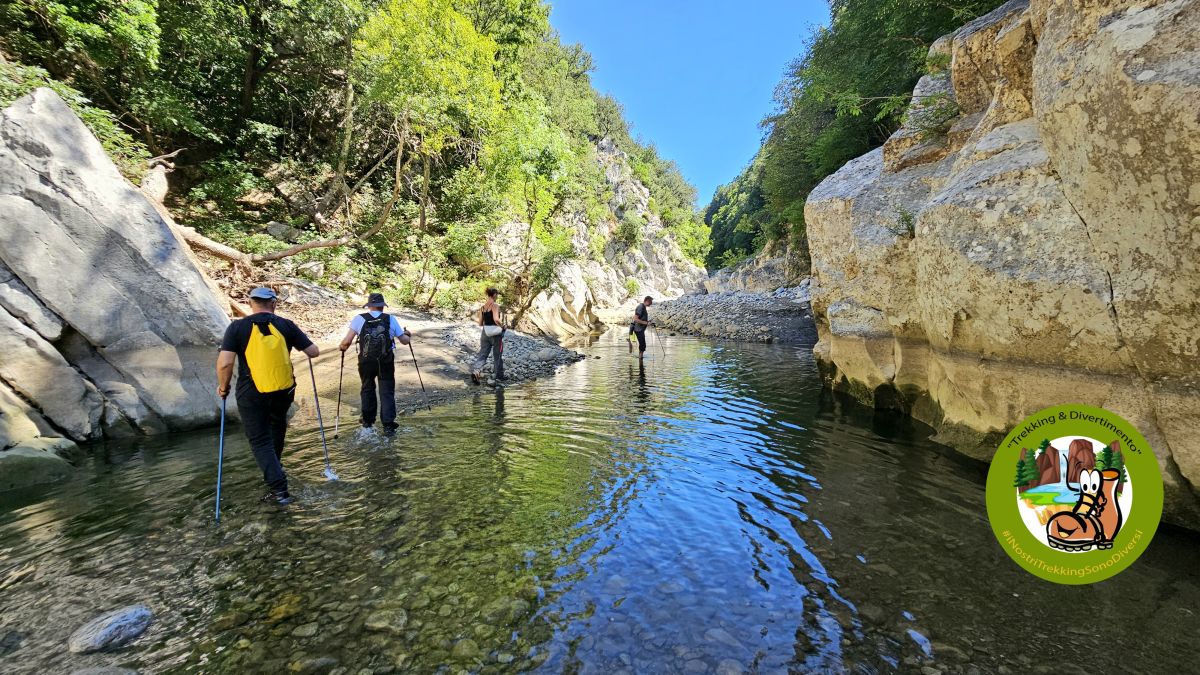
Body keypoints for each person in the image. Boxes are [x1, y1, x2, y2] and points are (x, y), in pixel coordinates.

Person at [216, 287, 319, 504]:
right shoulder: (286, 324)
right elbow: (313, 352)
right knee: (277, 425)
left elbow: (225, 363)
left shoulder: (237, 327)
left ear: (250, 303)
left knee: (259, 439)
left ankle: (279, 490)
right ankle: (276, 467)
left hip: (251, 392)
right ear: (273, 303)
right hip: (283, 389)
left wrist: (223, 387)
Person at [339, 293, 411, 436]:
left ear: (369, 306)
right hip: (385, 362)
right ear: (382, 306)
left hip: (366, 362)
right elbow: (404, 341)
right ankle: (388, 425)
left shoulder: (359, 319)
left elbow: (346, 342)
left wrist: (342, 347)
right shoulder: (390, 319)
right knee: (387, 391)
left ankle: (367, 423)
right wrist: (408, 335)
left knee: (367, 388)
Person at [471, 287, 506, 385]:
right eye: (497, 295)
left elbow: (480, 323)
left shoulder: (483, 307)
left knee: (483, 354)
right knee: (497, 354)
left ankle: (476, 372)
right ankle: (499, 375)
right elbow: (496, 319)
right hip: (495, 334)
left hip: (485, 333)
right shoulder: (495, 306)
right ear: (494, 295)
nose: (497, 296)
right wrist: (503, 326)